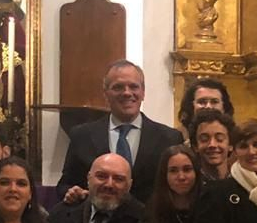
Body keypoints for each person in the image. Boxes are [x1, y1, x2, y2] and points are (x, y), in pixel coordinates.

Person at [57, 60, 183, 203]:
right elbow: (64, 185)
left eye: (133, 87)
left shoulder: (169, 138)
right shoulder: (82, 136)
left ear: (143, 93)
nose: (127, 93)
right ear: (106, 94)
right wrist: (73, 192)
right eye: (118, 87)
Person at [189, 111, 233, 182]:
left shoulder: (243, 182)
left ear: (231, 145)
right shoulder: (189, 184)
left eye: (219, 139)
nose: (212, 144)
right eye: (204, 139)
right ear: (195, 146)